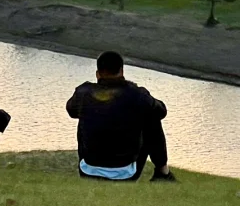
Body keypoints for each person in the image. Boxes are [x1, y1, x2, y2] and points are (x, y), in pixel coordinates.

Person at [66, 50, 175, 182]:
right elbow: (161, 111)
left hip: (87, 171)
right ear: (122, 71)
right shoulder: (137, 94)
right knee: (151, 118)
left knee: (84, 113)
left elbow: (71, 110)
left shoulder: (83, 92)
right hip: (126, 174)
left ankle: (96, 166)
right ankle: (162, 172)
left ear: (98, 74)